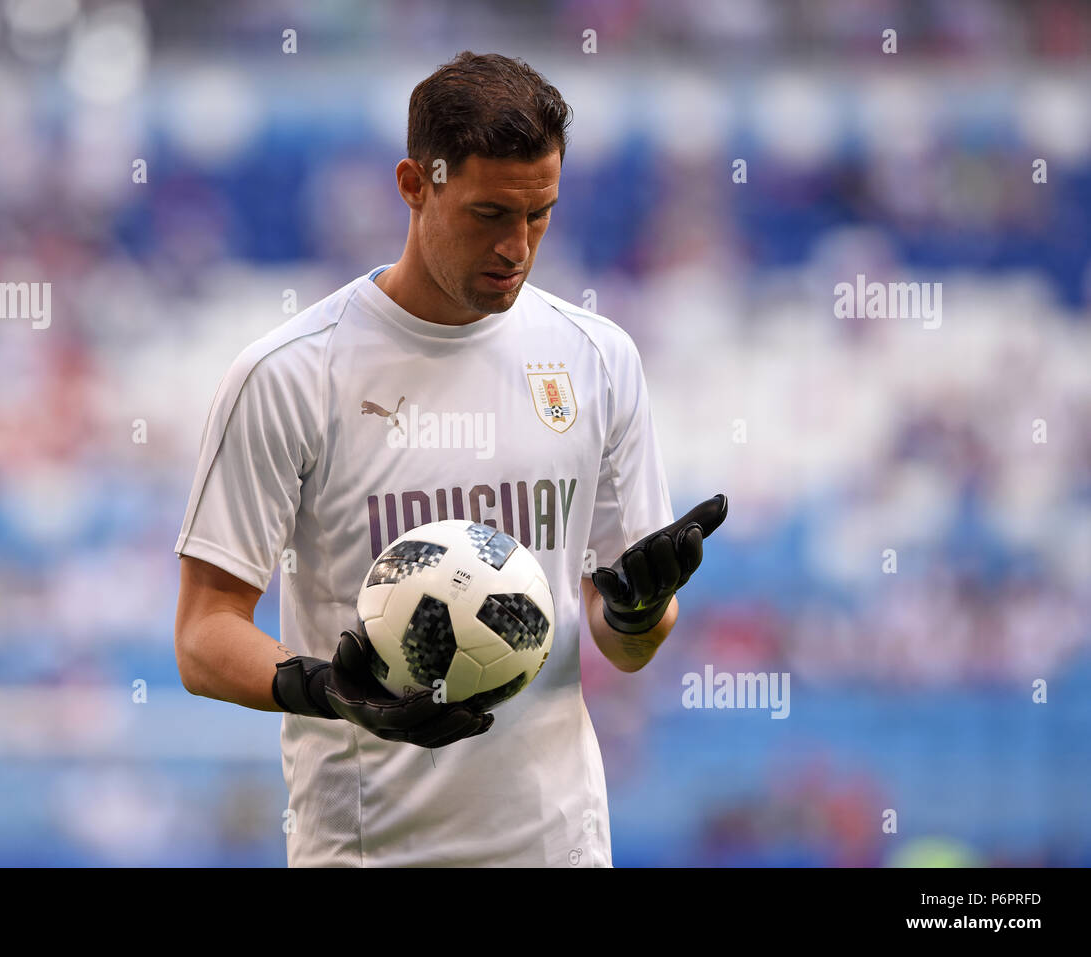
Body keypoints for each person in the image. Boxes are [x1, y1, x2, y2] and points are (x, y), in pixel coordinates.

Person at [173, 50, 726, 867]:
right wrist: (328, 688)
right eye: (489, 213)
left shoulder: (598, 359)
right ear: (413, 183)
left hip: (560, 848)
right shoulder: (291, 374)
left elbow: (621, 643)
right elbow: (202, 635)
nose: (517, 246)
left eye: (540, 215)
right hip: (368, 851)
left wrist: (643, 611)